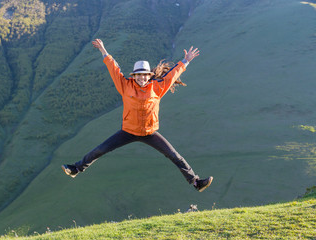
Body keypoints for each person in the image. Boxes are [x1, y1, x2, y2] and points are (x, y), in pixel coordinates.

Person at [62, 39, 213, 192]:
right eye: (138, 75)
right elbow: (113, 69)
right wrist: (103, 50)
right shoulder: (125, 85)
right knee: (101, 149)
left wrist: (185, 61)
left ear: (149, 76)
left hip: (149, 132)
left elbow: (172, 76)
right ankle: (76, 169)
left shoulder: (158, 88)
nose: (141, 78)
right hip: (128, 131)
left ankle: (196, 182)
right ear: (134, 76)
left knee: (174, 155)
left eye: (144, 75)